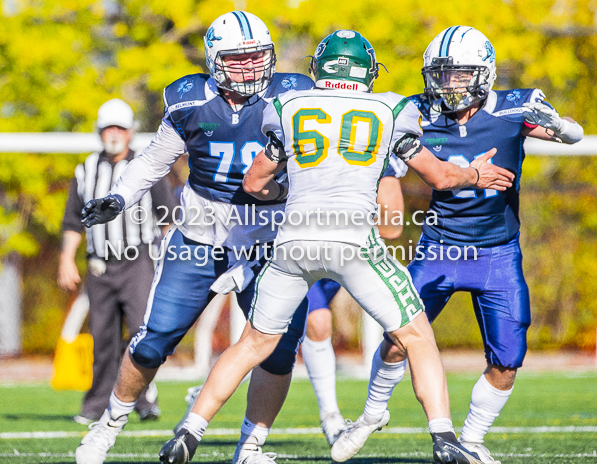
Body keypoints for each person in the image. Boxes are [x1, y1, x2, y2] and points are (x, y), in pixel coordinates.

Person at [160, 29, 515, 464]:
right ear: (368, 70)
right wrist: (475, 176)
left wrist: (283, 194)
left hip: (293, 241)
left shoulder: (288, 105)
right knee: (417, 335)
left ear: (319, 68)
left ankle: (189, 433)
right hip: (352, 242)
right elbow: (439, 176)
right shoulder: (390, 108)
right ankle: (443, 438)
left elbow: (254, 183)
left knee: (252, 343)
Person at [332, 26, 584, 464]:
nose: (449, 85)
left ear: (484, 73)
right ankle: (372, 413)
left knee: (508, 359)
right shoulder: (416, 112)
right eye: (441, 75)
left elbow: (574, 136)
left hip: (497, 251)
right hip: (440, 246)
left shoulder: (514, 108)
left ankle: (471, 438)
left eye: (460, 74)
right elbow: (380, 143)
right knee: (397, 336)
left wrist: (558, 125)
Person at [74, 11, 315, 464]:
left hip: (270, 243)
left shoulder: (294, 96)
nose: (248, 67)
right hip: (199, 238)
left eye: (256, 57)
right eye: (236, 59)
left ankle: (251, 447)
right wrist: (118, 197)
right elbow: (152, 162)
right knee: (152, 341)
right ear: (214, 61)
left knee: (280, 350)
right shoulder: (189, 100)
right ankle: (105, 430)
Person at [58, 98, 177, 424]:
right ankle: (96, 406)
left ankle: (144, 399)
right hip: (99, 265)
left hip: (138, 261)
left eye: (119, 128)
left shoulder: (147, 166)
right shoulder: (85, 170)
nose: (113, 133)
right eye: (108, 127)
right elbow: (73, 221)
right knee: (103, 338)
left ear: (130, 132)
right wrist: (66, 259)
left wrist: (173, 259)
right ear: (100, 131)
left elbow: (166, 217)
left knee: (142, 331)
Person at [302, 154, 407, 445]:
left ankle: (216, 386)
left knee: (289, 336)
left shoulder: (375, 149)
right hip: (297, 248)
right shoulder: (308, 143)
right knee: (313, 323)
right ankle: (331, 417)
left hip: (338, 255)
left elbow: (392, 227)